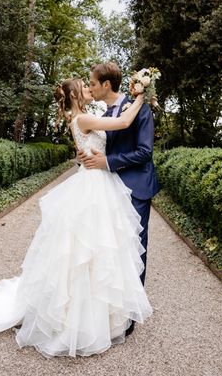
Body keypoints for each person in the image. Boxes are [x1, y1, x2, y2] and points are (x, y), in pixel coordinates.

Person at [0, 78, 152, 358]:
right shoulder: (83, 118)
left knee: (91, 249)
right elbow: (122, 124)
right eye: (85, 87)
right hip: (93, 185)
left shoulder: (81, 117)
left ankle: (95, 312)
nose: (88, 89)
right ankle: (80, 318)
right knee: (88, 248)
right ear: (75, 94)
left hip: (98, 182)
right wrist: (143, 97)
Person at [77, 62, 160, 336]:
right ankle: (111, 310)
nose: (90, 87)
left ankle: (129, 317)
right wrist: (87, 154)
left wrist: (107, 161)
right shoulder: (107, 113)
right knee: (111, 250)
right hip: (110, 190)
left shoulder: (141, 108)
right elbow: (99, 144)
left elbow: (145, 152)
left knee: (135, 248)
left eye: (92, 82)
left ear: (106, 85)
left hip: (136, 187)